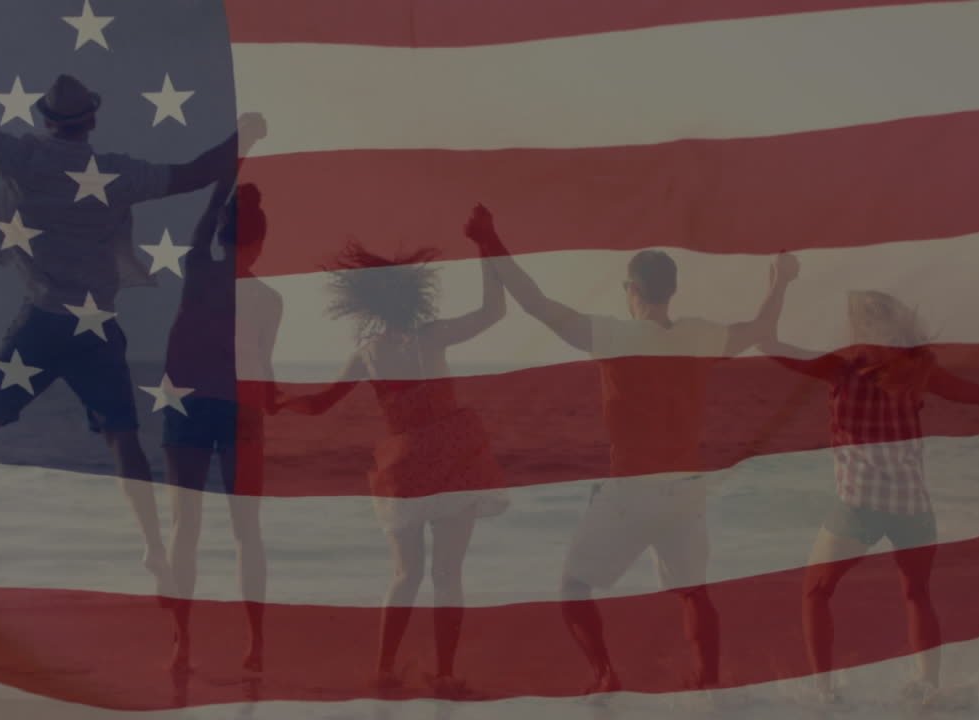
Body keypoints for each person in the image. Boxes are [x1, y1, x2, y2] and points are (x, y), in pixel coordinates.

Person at [0, 0, 240, 595]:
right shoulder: (117, 173)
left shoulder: (21, 159)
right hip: (95, 328)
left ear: (46, 120)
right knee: (123, 439)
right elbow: (198, 171)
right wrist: (253, 129)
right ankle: (151, 547)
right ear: (91, 120)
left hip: (40, 323)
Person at [465, 205, 799, 695]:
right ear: (671, 290)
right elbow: (761, 327)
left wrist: (490, 241)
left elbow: (534, 301)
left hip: (632, 491)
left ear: (631, 290)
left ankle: (605, 674)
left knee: (574, 588)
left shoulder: (614, 335)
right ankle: (706, 684)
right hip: (687, 490)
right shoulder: (700, 335)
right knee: (693, 593)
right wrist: (782, 280)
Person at [759, 289, 979, 705]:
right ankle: (927, 686)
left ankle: (823, 693)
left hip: (859, 507)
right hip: (914, 509)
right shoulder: (919, 372)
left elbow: (769, 345)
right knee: (916, 594)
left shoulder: (841, 370)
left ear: (859, 329)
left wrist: (779, 285)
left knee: (815, 592)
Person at [277, 206, 509, 693]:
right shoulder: (433, 335)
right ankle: (445, 675)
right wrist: (486, 244)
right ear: (413, 298)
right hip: (454, 457)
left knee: (405, 575)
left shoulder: (371, 351)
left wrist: (278, 400)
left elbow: (320, 405)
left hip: (403, 467)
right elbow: (495, 311)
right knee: (447, 576)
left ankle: (383, 670)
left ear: (372, 307)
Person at [160, 111, 277, 675]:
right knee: (246, 533)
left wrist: (242, 149)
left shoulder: (197, 269)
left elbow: (208, 212)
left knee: (186, 530)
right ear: (260, 242)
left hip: (185, 408)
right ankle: (255, 643)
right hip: (240, 414)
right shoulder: (271, 301)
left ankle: (183, 643)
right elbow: (265, 372)